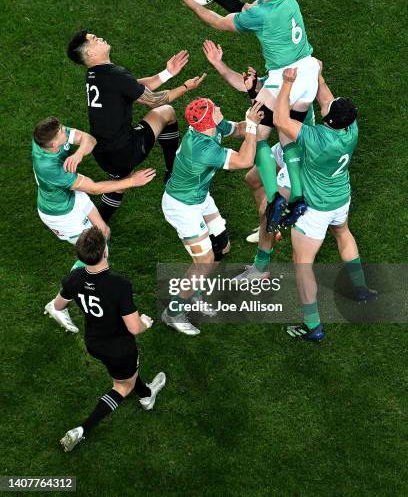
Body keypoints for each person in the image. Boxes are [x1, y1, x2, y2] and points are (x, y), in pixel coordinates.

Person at [177, 0, 320, 229]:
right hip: (309, 73)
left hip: (284, 77)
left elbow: (219, 23)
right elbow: (246, 9)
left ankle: (275, 197)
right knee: (288, 136)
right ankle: (298, 198)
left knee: (259, 135)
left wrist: (192, 4)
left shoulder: (263, 14)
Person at [272, 64, 376, 341]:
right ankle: (361, 290)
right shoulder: (350, 129)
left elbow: (281, 120)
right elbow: (326, 99)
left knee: (303, 264)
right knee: (343, 233)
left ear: (329, 119)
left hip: (315, 209)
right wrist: (318, 76)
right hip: (341, 199)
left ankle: (312, 325)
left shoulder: (316, 138)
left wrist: (286, 83)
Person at [67, 30, 205, 223]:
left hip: (103, 152)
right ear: (90, 53)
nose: (100, 37)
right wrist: (185, 87)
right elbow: (154, 100)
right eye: (94, 39)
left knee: (119, 184)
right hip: (126, 149)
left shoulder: (94, 74)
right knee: (166, 112)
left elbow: (132, 86)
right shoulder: (114, 74)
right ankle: (173, 172)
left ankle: (96, 227)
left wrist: (168, 73)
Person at [33, 116, 156, 333]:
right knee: (96, 252)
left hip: (70, 195)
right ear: (53, 145)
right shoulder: (51, 168)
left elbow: (88, 139)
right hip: (62, 214)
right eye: (62, 132)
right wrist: (132, 181)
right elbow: (96, 188)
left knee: (104, 232)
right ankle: (58, 305)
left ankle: (61, 301)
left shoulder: (46, 139)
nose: (66, 132)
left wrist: (79, 153)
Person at [54, 227, 166, 451]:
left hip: (94, 342)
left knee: (127, 376)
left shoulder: (73, 278)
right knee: (121, 386)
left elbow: (58, 305)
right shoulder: (119, 285)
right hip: (119, 348)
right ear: (105, 251)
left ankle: (145, 393)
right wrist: (146, 322)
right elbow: (134, 328)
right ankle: (82, 429)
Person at [161, 99, 264, 336]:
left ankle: (194, 294)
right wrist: (251, 127)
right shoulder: (202, 148)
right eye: (214, 108)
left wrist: (252, 122)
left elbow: (236, 129)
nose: (218, 107)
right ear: (208, 121)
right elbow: (244, 161)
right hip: (182, 207)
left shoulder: (209, 126)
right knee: (204, 261)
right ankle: (174, 312)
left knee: (222, 247)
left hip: (199, 198)